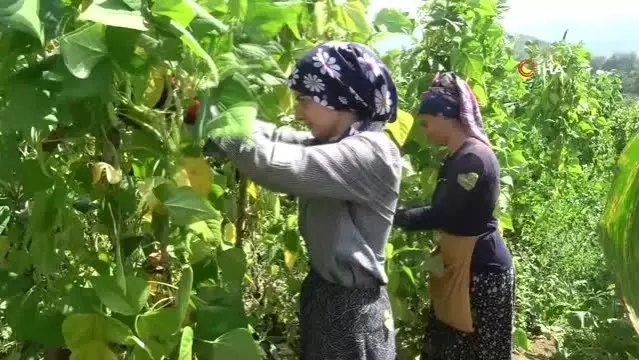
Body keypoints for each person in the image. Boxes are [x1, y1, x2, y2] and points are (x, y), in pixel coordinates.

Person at [204, 41, 402, 359]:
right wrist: (194, 110)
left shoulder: (373, 152)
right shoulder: (337, 143)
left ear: (336, 96)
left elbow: (277, 164)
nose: (298, 112)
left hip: (352, 314)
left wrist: (215, 118)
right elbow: (273, 137)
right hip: (328, 297)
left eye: (305, 99)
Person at [393, 72, 515, 359]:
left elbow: (443, 214)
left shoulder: (472, 158)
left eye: (426, 122)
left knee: (474, 350)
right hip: (465, 264)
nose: (424, 131)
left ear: (446, 116)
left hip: (481, 271)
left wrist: (390, 215)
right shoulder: (459, 156)